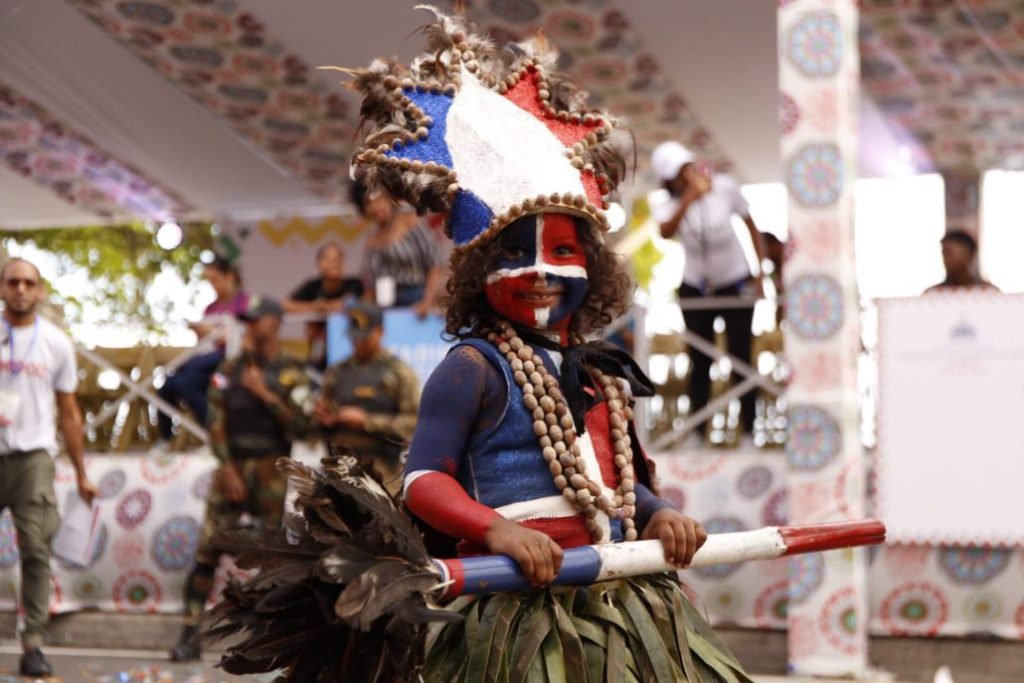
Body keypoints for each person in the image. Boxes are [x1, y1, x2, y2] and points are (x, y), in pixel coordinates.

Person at [170, 296, 311, 661]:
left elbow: (304, 426)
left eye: (258, 320)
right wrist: (227, 467)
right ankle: (189, 632)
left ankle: (264, 636)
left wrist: (266, 394)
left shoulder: (292, 374)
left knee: (269, 555)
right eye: (248, 321)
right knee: (207, 550)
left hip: (270, 474)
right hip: (231, 470)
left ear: (276, 323)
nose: (251, 326)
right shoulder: (227, 370)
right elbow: (215, 423)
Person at [0, 258, 98, 677]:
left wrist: (80, 472)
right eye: (13, 281)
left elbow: (69, 412)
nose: (21, 289)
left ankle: (34, 643)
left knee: (36, 550)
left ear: (39, 290)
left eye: (29, 283)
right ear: (2, 287)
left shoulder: (56, 342)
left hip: (34, 458)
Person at [650, 141, 766, 438]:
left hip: (734, 279)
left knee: (740, 357)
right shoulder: (665, 203)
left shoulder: (725, 188)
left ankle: (750, 431)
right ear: (668, 179)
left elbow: (751, 225)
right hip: (695, 285)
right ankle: (698, 432)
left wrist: (760, 274)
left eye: (688, 168)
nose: (687, 175)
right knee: (700, 360)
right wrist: (689, 198)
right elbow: (665, 232)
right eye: (679, 173)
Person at [313, 302, 420, 496]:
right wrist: (324, 418)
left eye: (364, 338)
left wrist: (367, 421)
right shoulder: (336, 373)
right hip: (340, 471)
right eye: (354, 338)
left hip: (383, 473)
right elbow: (321, 417)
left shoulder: (399, 373)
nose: (358, 343)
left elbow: (414, 423)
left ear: (380, 332)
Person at [155, 255, 249, 447]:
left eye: (215, 280)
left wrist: (214, 333)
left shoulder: (246, 304)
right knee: (169, 385)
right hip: (206, 365)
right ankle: (166, 439)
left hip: (230, 366)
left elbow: (245, 340)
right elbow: (205, 344)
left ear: (230, 277)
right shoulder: (211, 308)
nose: (213, 285)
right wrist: (200, 331)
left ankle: (214, 436)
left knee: (186, 380)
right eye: (209, 281)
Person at [351, 180, 446, 318]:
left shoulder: (411, 222)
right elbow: (372, 285)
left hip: (418, 300)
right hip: (386, 307)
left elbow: (435, 263)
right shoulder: (371, 239)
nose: (375, 207)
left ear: (389, 198)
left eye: (378, 200)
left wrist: (427, 301)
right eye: (368, 203)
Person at [283, 242, 365, 370]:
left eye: (338, 259)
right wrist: (315, 308)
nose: (334, 263)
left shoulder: (353, 284)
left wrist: (333, 306)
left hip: (348, 344)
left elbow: (350, 302)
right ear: (319, 263)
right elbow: (285, 304)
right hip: (319, 345)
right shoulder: (313, 286)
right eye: (329, 258)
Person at [925, 230, 998, 293]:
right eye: (944, 254)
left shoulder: (988, 292)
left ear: (968, 254)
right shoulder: (933, 294)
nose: (945, 259)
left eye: (949, 253)